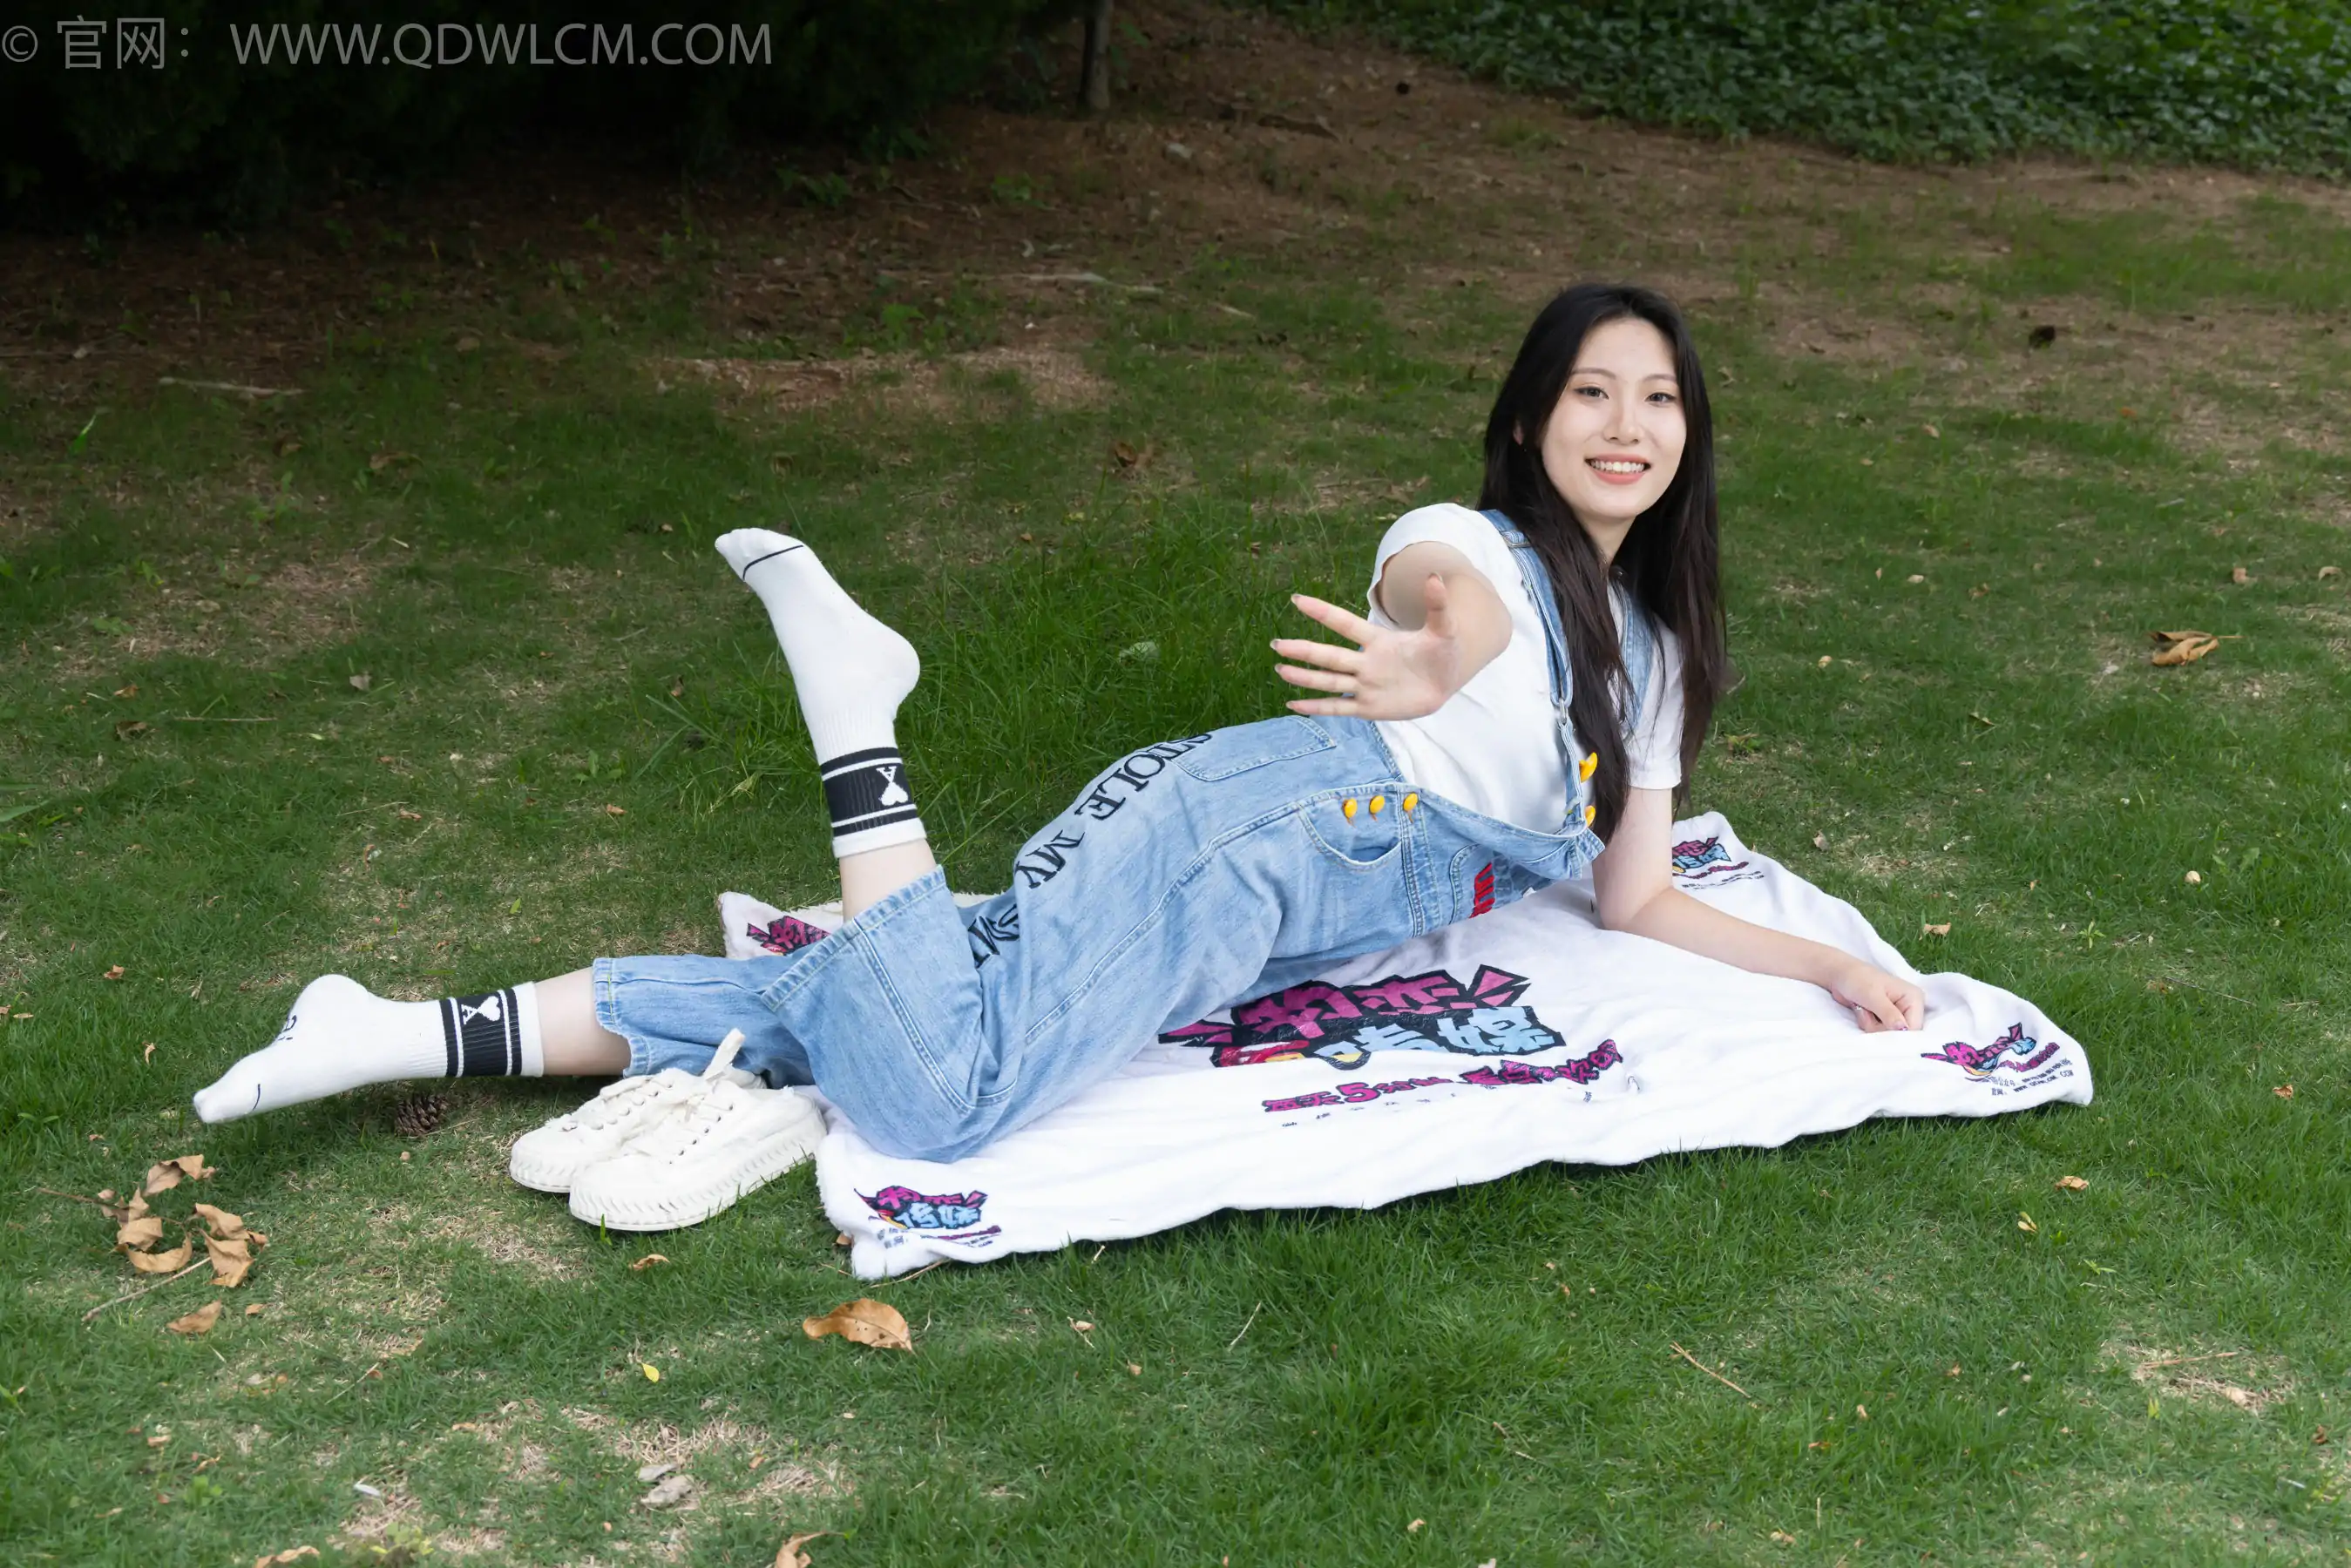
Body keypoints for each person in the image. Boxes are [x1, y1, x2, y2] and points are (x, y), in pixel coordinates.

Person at [193, 283, 1924, 1229]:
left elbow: (1634, 897)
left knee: (885, 1002)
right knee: (938, 1097)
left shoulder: (1658, 653)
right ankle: (856, 728)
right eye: (1590, 393)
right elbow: (1443, 608)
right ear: (1531, 420)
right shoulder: (1465, 545)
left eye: (1657, 398)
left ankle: (403, 1029)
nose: (1625, 425)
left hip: (1278, 890)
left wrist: (1827, 963)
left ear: (1690, 434)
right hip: (1270, 832)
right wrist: (1428, 663)